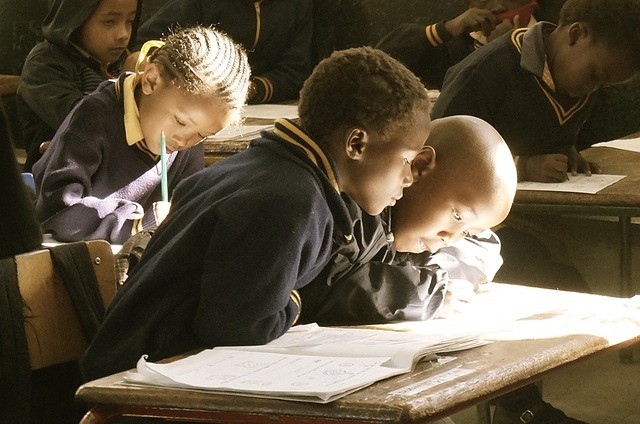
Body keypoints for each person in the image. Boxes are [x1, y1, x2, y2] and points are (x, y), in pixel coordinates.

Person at [79, 46, 433, 382]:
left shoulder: (262, 170)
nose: (407, 178)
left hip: (142, 369)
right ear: (356, 144)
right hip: (137, 387)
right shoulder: (290, 200)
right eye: (406, 160)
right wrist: (297, 298)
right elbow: (238, 329)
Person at [32, 26, 251, 245]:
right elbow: (58, 212)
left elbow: (187, 209)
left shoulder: (188, 142)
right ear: (151, 81)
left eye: (203, 134)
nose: (185, 141)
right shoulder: (95, 116)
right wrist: (138, 223)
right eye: (180, 122)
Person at [297, 114, 517, 331]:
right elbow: (323, 287)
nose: (450, 238)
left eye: (467, 232)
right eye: (457, 216)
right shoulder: (357, 203)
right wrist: (425, 292)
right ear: (419, 166)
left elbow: (485, 245)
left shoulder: (413, 227)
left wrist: (437, 272)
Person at [432, 0, 640, 183]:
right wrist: (523, 167)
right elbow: (438, 155)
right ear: (575, 35)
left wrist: (566, 151)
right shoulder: (485, 70)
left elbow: (549, 135)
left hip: (537, 208)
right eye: (594, 75)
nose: (593, 89)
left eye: (604, 85)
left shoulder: (578, 80)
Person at [17, 0, 142, 172]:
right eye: (109, 22)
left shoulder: (119, 62)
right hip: (57, 181)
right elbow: (83, 120)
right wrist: (127, 86)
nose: (123, 34)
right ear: (75, 19)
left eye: (129, 21)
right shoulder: (45, 62)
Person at [130, 0, 313, 104]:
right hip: (193, 103)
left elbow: (295, 71)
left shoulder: (297, 5)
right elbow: (145, 46)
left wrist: (250, 89)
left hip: (261, 112)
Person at [377, 0, 539, 90]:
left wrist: (506, 49)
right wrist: (446, 29)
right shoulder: (450, 42)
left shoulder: (548, 44)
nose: (498, 6)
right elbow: (375, 64)